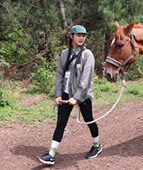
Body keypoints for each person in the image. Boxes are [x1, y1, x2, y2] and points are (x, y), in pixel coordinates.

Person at [37, 25, 102, 165]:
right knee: (60, 123)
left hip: (82, 94)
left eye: (83, 35)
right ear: (71, 36)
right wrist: (58, 94)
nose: (81, 38)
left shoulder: (87, 55)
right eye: (78, 35)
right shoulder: (65, 54)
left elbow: (86, 79)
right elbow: (59, 74)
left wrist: (76, 97)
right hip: (66, 93)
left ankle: (96, 146)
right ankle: (51, 154)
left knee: (89, 119)